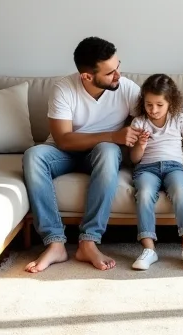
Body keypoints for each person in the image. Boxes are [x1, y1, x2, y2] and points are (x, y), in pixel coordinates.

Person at [22, 36, 141, 273]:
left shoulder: (127, 89)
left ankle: (89, 242)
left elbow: (155, 121)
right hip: (64, 153)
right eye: (110, 73)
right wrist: (112, 135)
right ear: (86, 76)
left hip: (101, 153)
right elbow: (63, 139)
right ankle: (55, 243)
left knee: (108, 151)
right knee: (33, 155)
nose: (118, 75)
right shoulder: (63, 89)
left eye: (118, 66)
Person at [129, 74, 183, 270]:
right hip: (146, 169)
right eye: (149, 104)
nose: (153, 110)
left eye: (159, 105)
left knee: (180, 190)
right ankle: (149, 249)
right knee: (144, 193)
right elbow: (134, 159)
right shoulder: (139, 123)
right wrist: (141, 145)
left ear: (171, 102)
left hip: (174, 167)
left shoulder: (179, 119)